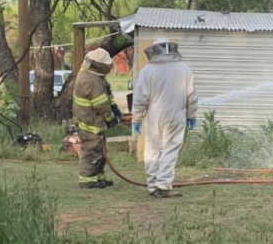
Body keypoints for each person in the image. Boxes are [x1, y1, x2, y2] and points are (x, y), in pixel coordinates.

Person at [132, 39, 198, 198]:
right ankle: (163, 185)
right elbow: (192, 96)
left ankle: (152, 184)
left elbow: (140, 98)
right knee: (170, 149)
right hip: (176, 115)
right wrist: (191, 115)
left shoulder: (147, 71)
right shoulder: (184, 69)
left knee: (152, 149)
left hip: (154, 117)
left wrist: (137, 118)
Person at [72, 48, 122, 189]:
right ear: (99, 65)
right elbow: (101, 104)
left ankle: (99, 177)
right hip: (90, 122)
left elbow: (107, 95)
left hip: (93, 120)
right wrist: (111, 118)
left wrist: (115, 108)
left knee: (99, 151)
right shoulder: (90, 80)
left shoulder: (96, 76)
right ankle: (87, 180)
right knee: (91, 151)